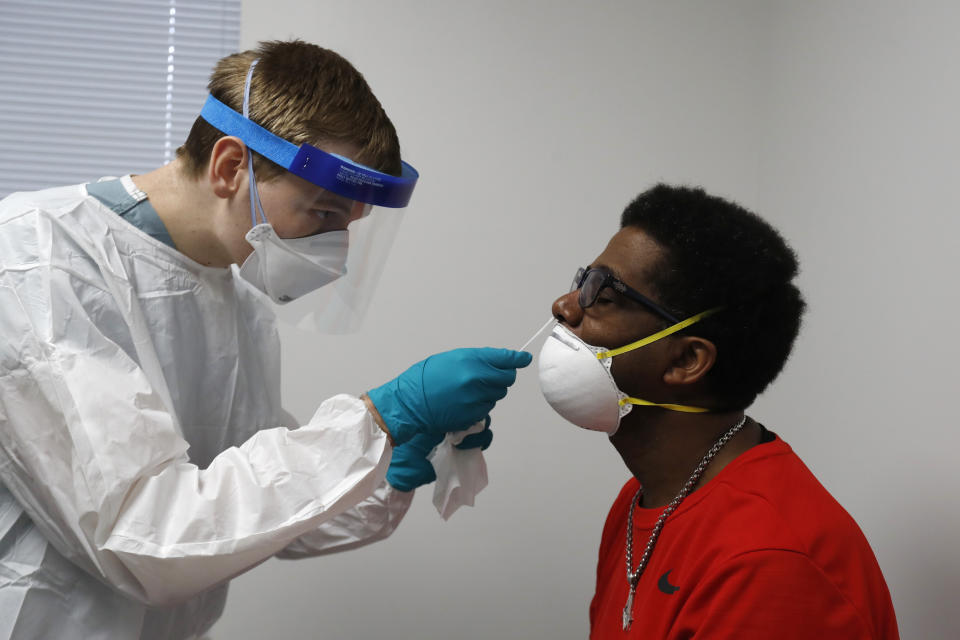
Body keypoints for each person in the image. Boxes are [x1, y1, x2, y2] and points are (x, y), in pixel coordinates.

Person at [0, 40, 530, 639]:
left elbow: (245, 507)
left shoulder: (234, 290)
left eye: (350, 226)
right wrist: (376, 420)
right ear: (231, 167)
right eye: (325, 214)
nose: (335, 250)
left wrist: (390, 461)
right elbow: (146, 537)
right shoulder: (39, 264)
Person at [538, 184, 899, 639]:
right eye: (582, 282)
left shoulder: (766, 560)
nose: (565, 305)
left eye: (602, 295)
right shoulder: (642, 499)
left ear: (686, 360)